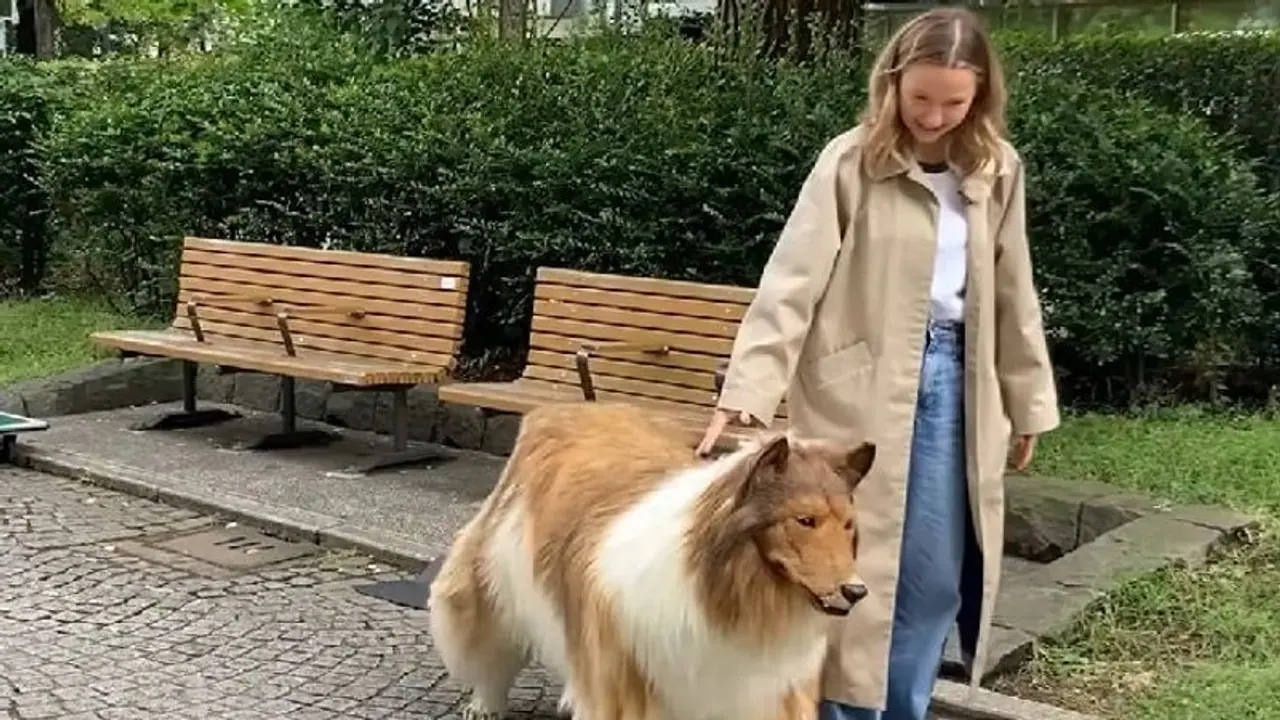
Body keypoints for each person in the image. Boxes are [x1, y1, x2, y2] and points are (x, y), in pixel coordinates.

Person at [695, 7, 1060, 720]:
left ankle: (902, 710)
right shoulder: (850, 161)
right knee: (846, 570)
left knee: (934, 579)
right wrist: (747, 393)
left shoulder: (997, 168)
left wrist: (1028, 403)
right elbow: (791, 283)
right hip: (856, 387)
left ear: (981, 96)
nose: (934, 116)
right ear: (892, 81)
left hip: (960, 387)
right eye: (920, 96)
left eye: (954, 102)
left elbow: (1015, 291)